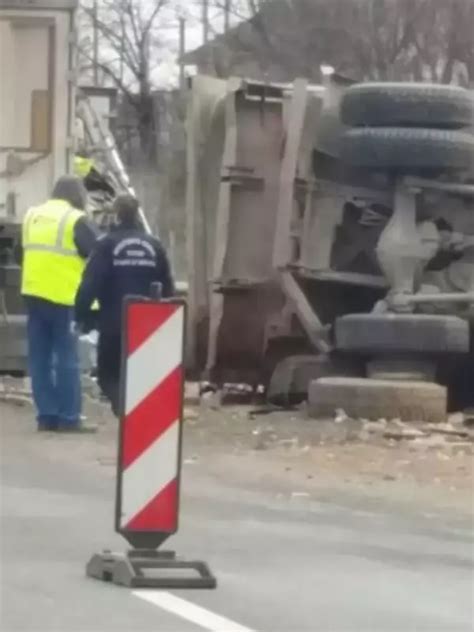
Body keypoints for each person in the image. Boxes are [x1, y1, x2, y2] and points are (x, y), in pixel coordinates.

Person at [75, 194, 174, 416]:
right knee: (140, 372)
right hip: (147, 324)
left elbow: (91, 283)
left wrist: (81, 314)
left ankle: (124, 407)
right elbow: (167, 285)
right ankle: (135, 410)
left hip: (113, 322)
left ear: (116, 215)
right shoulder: (154, 245)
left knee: (108, 374)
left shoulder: (106, 245)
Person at [21, 176, 98, 431]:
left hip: (33, 293)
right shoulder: (75, 219)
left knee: (39, 359)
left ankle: (46, 416)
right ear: (77, 195)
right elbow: (97, 254)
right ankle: (68, 418)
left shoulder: (31, 215)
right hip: (64, 298)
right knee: (66, 359)